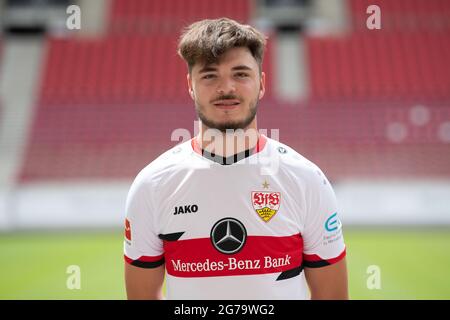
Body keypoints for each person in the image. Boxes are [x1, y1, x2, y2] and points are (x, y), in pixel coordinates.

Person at [124, 17, 348, 300]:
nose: (226, 88)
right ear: (190, 86)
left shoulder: (306, 179)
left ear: (261, 83)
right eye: (209, 75)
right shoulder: (152, 185)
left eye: (241, 74)